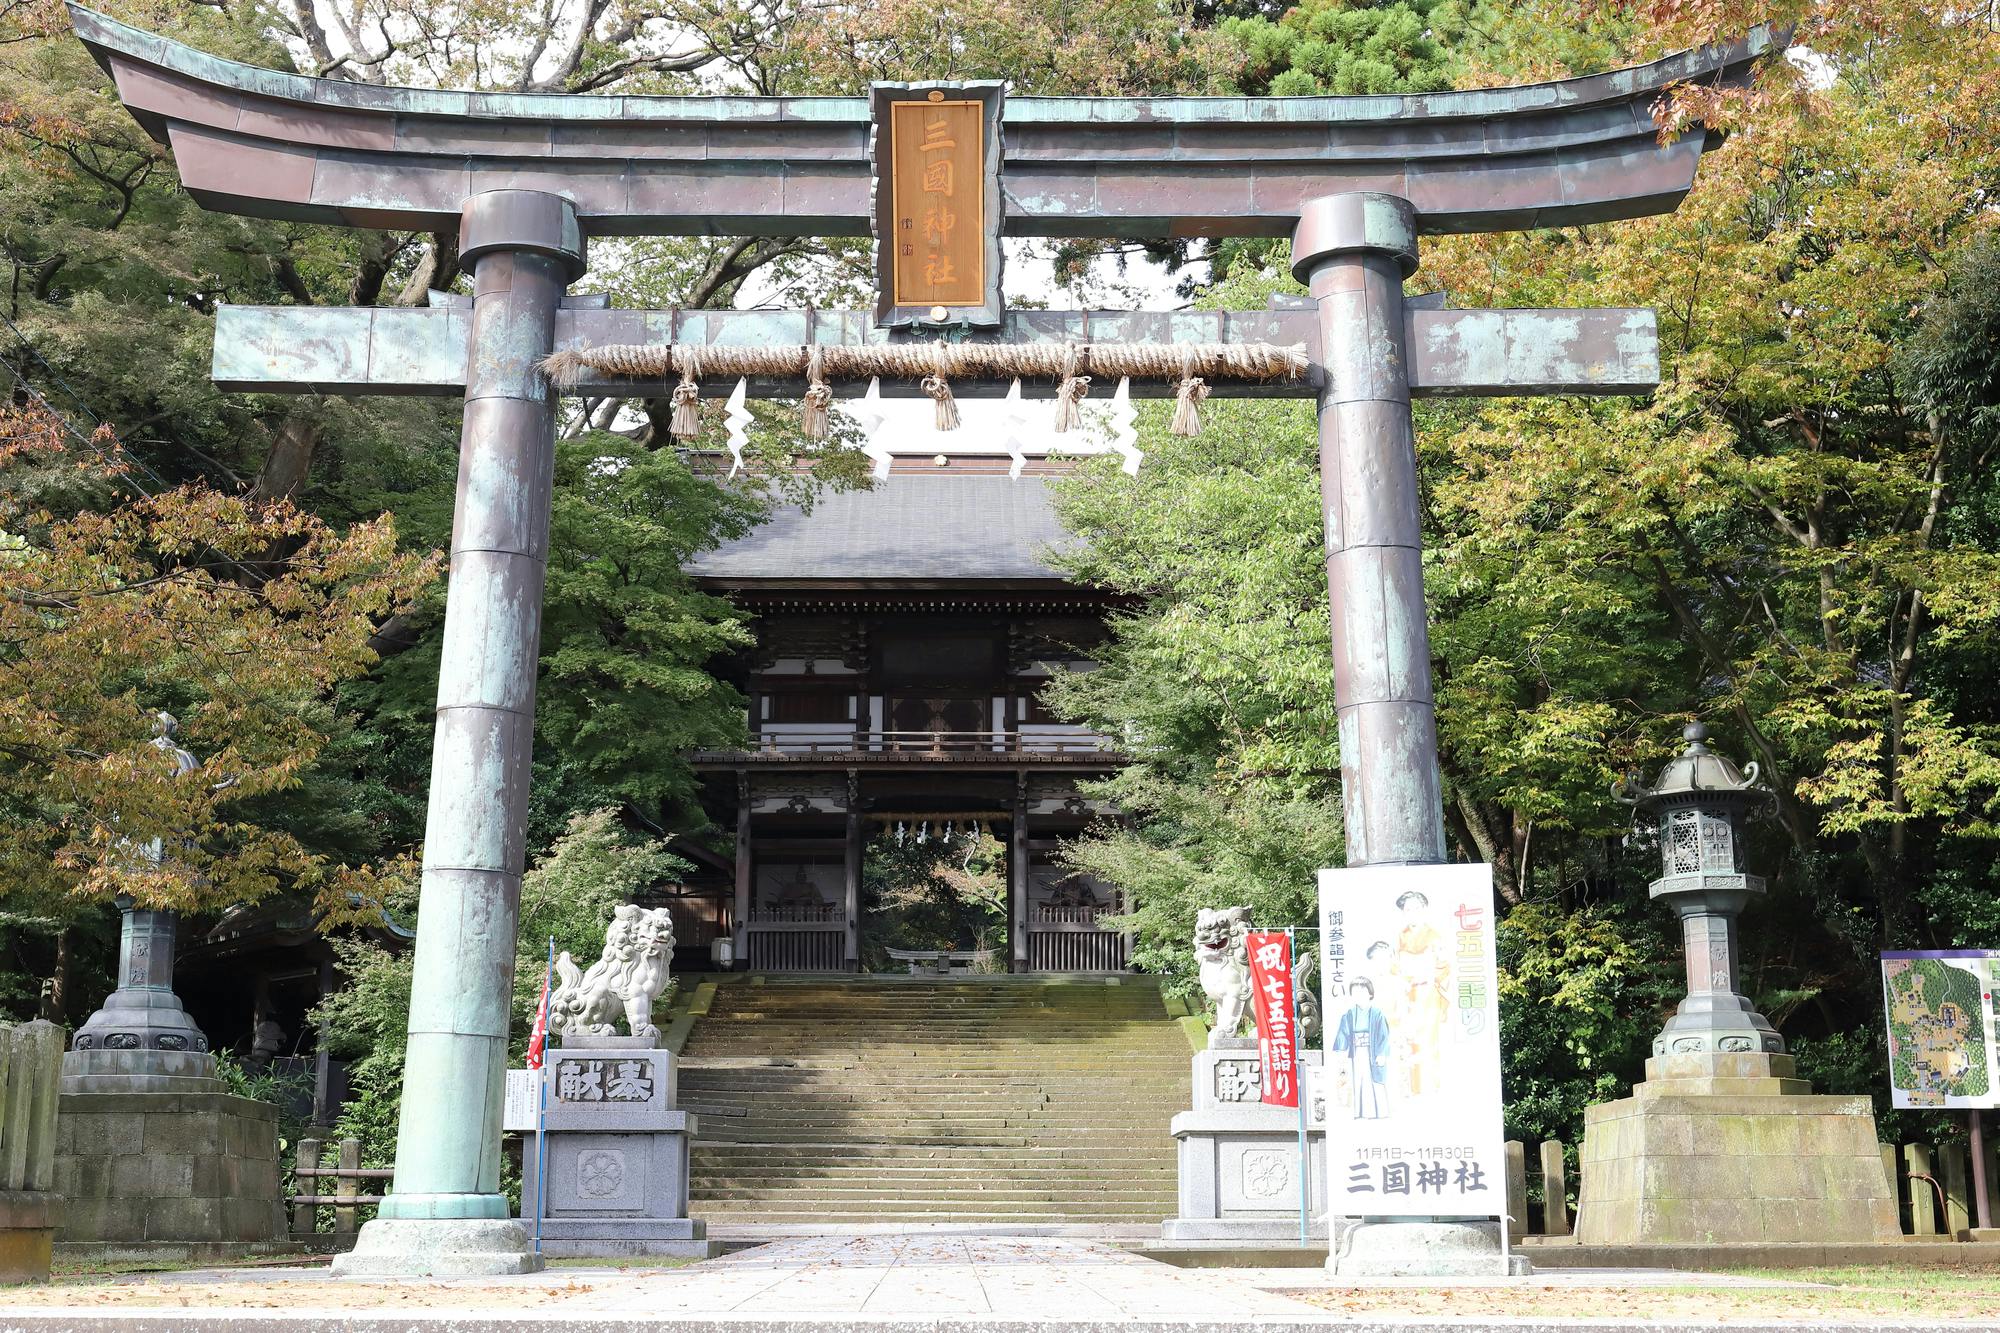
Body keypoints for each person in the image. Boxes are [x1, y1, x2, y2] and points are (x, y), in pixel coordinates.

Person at [1391, 890, 1450, 1099]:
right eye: (1408, 909)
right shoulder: (1401, 935)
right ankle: (1414, 1088)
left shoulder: (1433, 935)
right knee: (1410, 1040)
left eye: (1416, 908)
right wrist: (1403, 981)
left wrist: (1428, 975)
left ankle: (1434, 1087)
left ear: (1423, 910)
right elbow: (1395, 966)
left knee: (1430, 1039)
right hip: (1408, 994)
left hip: (1428, 992)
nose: (1412, 912)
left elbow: (1443, 964)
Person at [1331, 978, 1390, 1118]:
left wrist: (1381, 1054)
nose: (1359, 994)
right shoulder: (1349, 1015)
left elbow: (1384, 1035)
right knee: (1356, 1080)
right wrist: (1341, 1051)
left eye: (1362, 991)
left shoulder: (1377, 1014)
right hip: (1356, 1052)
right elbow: (1343, 1033)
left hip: (1372, 1051)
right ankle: (1357, 1112)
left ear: (1370, 993)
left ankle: (1376, 1113)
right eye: (1355, 992)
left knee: (1373, 1080)